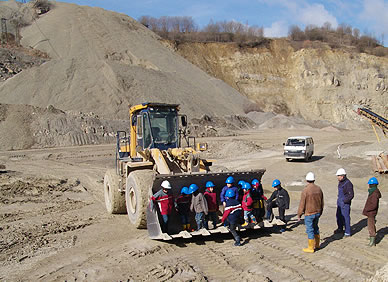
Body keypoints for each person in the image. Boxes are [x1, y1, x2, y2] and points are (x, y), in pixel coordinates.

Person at [297, 172, 324, 253]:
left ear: (306, 180)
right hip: (317, 212)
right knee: (316, 228)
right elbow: (322, 202)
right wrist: (320, 211)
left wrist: (299, 214)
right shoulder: (319, 189)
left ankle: (311, 247)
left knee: (310, 230)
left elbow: (302, 204)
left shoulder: (305, 190)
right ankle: (317, 244)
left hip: (309, 213)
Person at [362, 177, 382, 247]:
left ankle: (372, 241)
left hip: (371, 213)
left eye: (370, 184)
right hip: (371, 213)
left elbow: (373, 205)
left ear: (373, 185)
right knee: (371, 225)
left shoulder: (374, 194)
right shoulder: (373, 192)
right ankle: (371, 237)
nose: (369, 185)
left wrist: (367, 209)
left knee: (371, 226)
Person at [334, 168, 354, 237]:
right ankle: (340, 228)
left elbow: (351, 195)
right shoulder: (341, 182)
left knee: (346, 217)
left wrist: (344, 201)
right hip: (339, 203)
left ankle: (347, 232)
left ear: (342, 176)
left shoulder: (348, 184)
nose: (337, 177)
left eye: (338, 176)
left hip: (345, 204)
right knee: (338, 216)